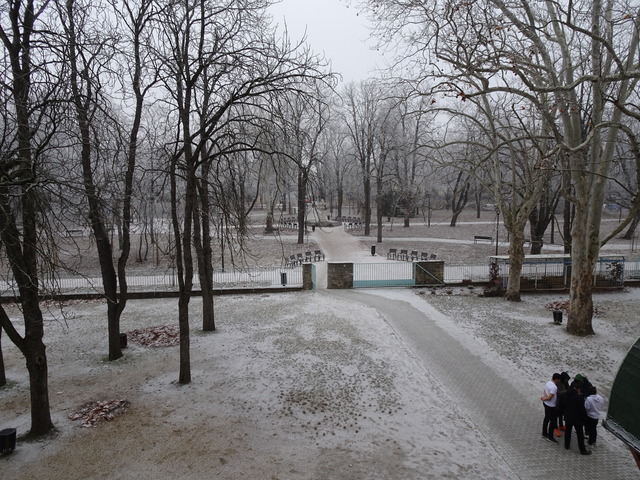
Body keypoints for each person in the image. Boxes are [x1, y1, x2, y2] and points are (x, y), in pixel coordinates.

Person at [559, 380, 591, 455]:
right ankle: (582, 450)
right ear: (578, 389)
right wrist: (585, 419)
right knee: (580, 435)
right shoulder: (579, 398)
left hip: (568, 417)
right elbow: (582, 410)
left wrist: (565, 412)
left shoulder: (564, 394)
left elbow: (561, 405)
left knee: (568, 432)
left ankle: (566, 445)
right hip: (577, 419)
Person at [541, 373, 561, 444]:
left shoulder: (548, 383)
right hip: (551, 406)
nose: (559, 381)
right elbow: (550, 397)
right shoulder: (554, 387)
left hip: (546, 404)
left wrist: (544, 396)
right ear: (556, 379)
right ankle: (550, 436)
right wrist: (544, 398)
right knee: (553, 421)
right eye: (559, 380)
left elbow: (545, 391)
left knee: (546, 418)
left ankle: (544, 432)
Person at [556, 372, 571, 436]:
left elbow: (568, 389)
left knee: (561, 414)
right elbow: (558, 392)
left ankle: (561, 425)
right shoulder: (558, 383)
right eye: (565, 379)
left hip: (563, 402)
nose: (566, 381)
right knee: (556, 415)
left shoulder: (566, 383)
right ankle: (555, 427)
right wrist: (566, 392)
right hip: (558, 402)